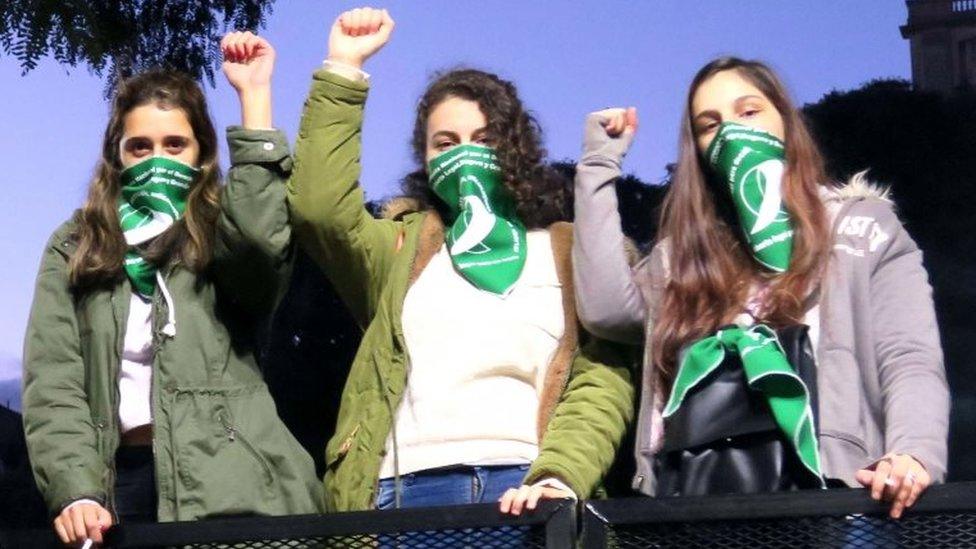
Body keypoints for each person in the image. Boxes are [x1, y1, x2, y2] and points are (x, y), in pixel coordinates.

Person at [287, 7, 634, 515]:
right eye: (445, 143)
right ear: (425, 159)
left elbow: (602, 377)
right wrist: (344, 67)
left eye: (483, 140)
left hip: (525, 490)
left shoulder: (565, 249)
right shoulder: (401, 251)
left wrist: (561, 475)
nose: (463, 154)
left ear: (515, 148)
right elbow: (318, 207)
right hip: (401, 494)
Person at [572, 57, 949, 519]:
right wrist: (597, 164)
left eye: (748, 112)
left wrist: (914, 452)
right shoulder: (683, 256)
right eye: (709, 126)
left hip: (839, 491)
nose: (730, 132)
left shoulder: (863, 228)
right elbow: (607, 310)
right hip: (702, 495)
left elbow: (909, 354)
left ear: (786, 122)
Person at [22, 32, 322, 546]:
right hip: (123, 488)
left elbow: (259, 248)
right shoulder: (76, 243)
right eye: (140, 146)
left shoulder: (222, 228)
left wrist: (254, 99)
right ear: (116, 156)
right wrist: (75, 490)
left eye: (174, 144)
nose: (156, 158)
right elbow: (54, 381)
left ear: (201, 153)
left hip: (234, 480)